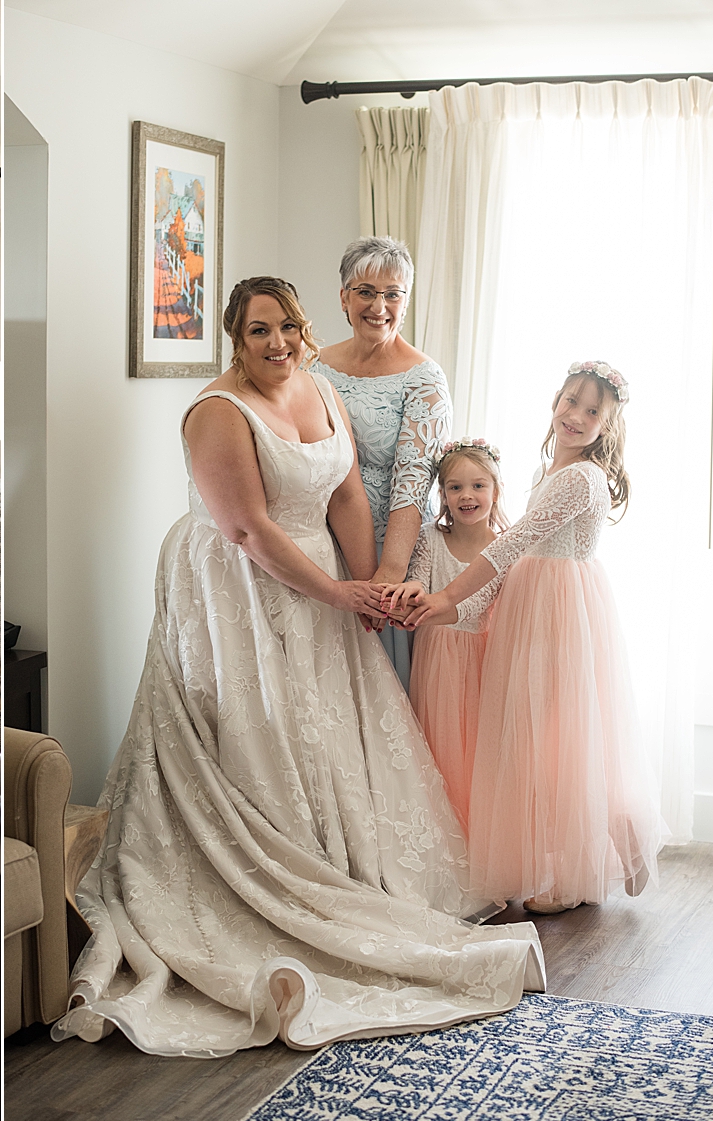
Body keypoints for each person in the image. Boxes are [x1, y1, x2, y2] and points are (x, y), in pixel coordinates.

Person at [50, 277, 543, 1057]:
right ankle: (270, 870)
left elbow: (346, 490)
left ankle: (349, 863)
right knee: (264, 733)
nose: (277, 343)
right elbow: (245, 529)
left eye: (286, 327)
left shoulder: (317, 387)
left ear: (304, 329)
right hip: (239, 588)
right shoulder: (217, 411)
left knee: (335, 728)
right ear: (234, 339)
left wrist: (368, 583)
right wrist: (337, 589)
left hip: (323, 578)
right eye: (257, 332)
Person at [404, 362, 661, 913]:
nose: (576, 415)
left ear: (606, 427)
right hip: (544, 605)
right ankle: (603, 841)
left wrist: (447, 599)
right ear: (555, 401)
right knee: (553, 735)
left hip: (555, 613)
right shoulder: (555, 471)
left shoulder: (577, 479)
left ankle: (584, 865)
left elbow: (511, 543)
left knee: (557, 737)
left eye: (593, 412)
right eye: (572, 401)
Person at [311, 236, 451, 688]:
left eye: (393, 294)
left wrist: (387, 574)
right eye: (366, 291)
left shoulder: (424, 377)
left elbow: (413, 478)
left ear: (406, 302)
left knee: (383, 681)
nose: (379, 306)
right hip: (323, 544)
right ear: (344, 297)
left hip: (393, 546)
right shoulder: (315, 368)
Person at [384, 438, 508, 832]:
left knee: (480, 752)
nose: (467, 495)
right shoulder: (430, 538)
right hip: (437, 658)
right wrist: (414, 591)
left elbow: (484, 602)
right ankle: (448, 841)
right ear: (442, 494)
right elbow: (419, 576)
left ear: (495, 489)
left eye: (478, 485)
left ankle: (485, 845)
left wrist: (441, 610)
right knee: (439, 750)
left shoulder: (505, 548)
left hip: (484, 657)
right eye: (455, 487)